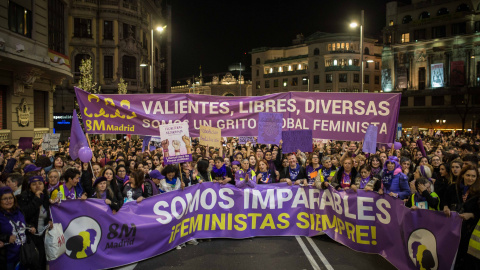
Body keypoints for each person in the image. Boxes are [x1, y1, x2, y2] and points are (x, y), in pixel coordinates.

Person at [443, 165, 480, 269]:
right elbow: (445, 200)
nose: (470, 178)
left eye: (473, 176)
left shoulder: (478, 192)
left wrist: (471, 215)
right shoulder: (453, 187)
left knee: (462, 256)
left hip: (468, 231)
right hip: (451, 227)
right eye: (468, 175)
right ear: (462, 175)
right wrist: (445, 207)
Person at [17, 175, 53, 270]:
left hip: (43, 235)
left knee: (42, 261)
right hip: (30, 236)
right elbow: (25, 214)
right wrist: (36, 199)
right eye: (34, 184)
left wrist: (49, 220)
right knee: (34, 262)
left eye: (40, 183)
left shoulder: (45, 197)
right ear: (29, 187)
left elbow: (48, 213)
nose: (37, 186)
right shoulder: (24, 197)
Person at [0, 186, 36, 270]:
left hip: (23, 255)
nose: (8, 201)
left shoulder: (19, 211)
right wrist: (6, 238)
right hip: (8, 258)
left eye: (10, 198)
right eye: (5, 199)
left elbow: (22, 224)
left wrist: (30, 227)